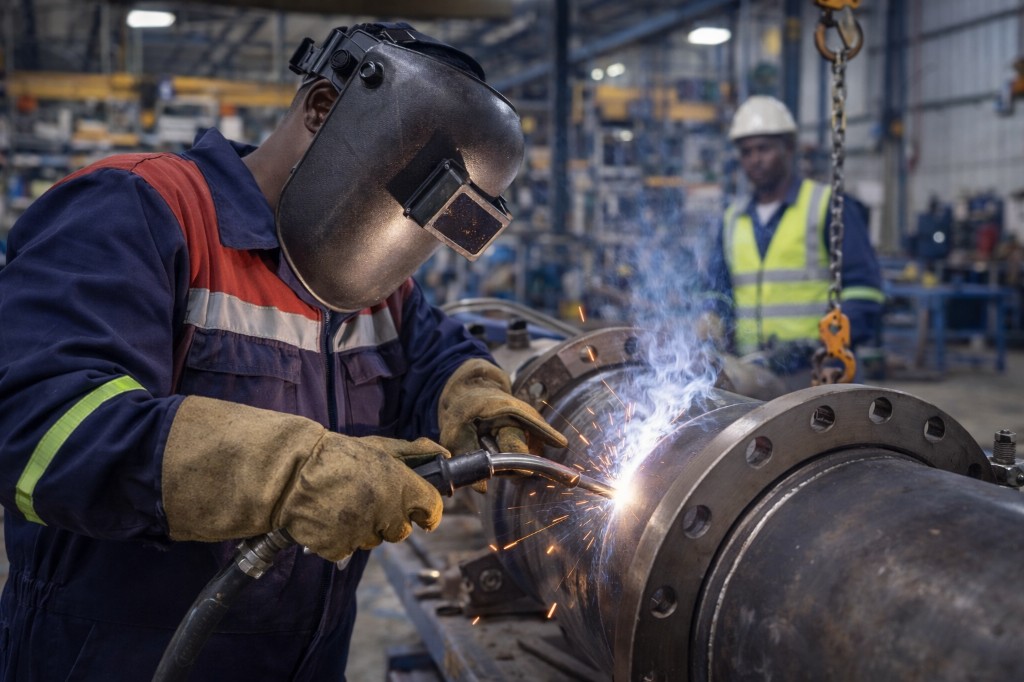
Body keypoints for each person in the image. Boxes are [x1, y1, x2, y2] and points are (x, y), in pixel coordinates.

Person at [0, 22, 566, 681]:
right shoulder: (140, 209)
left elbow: (434, 356)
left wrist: (471, 392)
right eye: (398, 202)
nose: (400, 238)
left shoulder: (375, 289)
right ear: (323, 109)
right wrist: (283, 469)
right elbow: (36, 423)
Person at [702, 95, 885, 397]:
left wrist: (829, 344)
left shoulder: (826, 206)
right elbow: (718, 287)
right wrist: (710, 316)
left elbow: (864, 290)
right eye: (746, 152)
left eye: (764, 149)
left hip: (816, 372)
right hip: (752, 372)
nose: (754, 159)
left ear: (788, 148)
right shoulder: (733, 218)